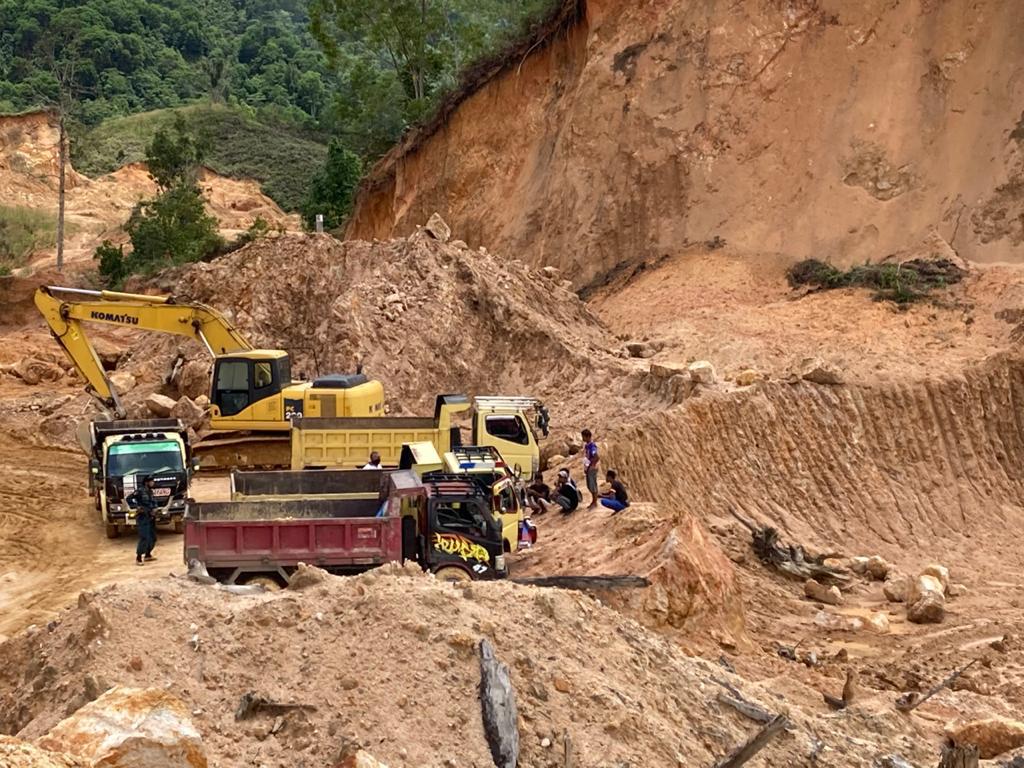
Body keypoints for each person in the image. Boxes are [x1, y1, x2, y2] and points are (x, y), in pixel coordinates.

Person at [128, 475, 159, 565]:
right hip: (143, 517)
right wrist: (137, 507)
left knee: (152, 537)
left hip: (151, 516)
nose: (153, 483)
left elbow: (153, 502)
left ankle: (148, 555)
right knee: (144, 537)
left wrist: (155, 509)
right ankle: (138, 558)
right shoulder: (140, 491)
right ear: (147, 482)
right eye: (151, 481)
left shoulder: (150, 491)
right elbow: (129, 498)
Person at [581, 429, 599, 509]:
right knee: (589, 485)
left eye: (583, 436)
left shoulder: (592, 446)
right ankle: (593, 501)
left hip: (591, 467)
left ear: (587, 436)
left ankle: (595, 502)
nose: (582, 438)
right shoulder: (587, 446)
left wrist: (592, 465)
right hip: (588, 466)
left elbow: (596, 456)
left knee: (592, 485)